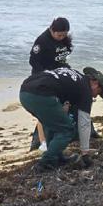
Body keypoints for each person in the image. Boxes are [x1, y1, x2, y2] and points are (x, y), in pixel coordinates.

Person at [19, 67, 103, 170]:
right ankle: (45, 162)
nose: (95, 96)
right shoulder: (86, 90)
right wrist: (85, 153)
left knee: (53, 125)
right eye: (98, 92)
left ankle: (57, 157)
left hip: (25, 92)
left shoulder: (75, 77)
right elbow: (84, 123)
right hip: (41, 94)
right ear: (95, 83)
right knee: (67, 129)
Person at [28, 17, 74, 150]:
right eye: (59, 35)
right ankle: (42, 141)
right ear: (52, 30)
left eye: (64, 35)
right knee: (44, 110)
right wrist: (45, 74)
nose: (61, 37)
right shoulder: (42, 41)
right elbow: (33, 61)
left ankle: (59, 136)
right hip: (42, 78)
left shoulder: (64, 39)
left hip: (59, 75)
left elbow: (63, 56)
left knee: (63, 105)